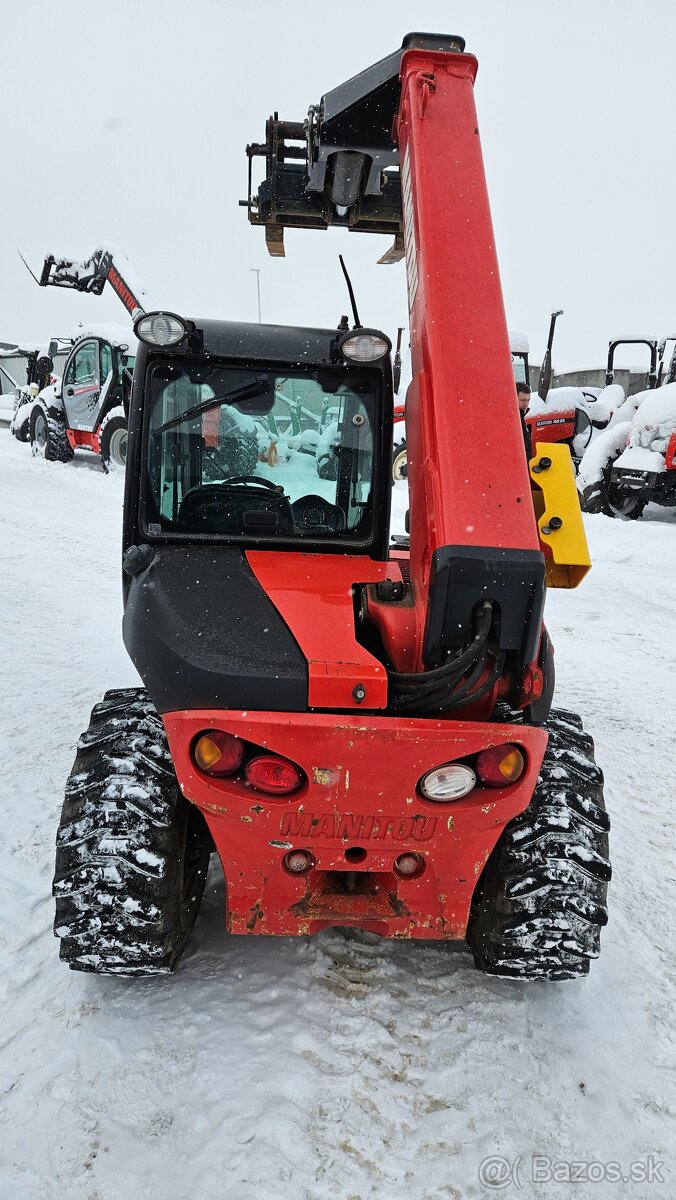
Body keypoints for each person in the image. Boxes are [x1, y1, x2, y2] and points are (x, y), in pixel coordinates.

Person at [516, 381, 533, 459]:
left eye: (528, 400)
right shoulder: (512, 421)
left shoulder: (521, 418)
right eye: (522, 400)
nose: (526, 404)